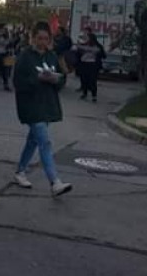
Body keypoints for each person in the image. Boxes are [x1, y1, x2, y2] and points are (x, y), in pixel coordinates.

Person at [12, 22, 73, 197]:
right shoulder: (25, 57)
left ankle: (20, 170)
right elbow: (18, 82)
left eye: (46, 39)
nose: (42, 42)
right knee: (45, 142)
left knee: (33, 140)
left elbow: (61, 79)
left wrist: (56, 80)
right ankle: (55, 181)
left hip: (47, 105)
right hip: (31, 106)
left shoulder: (52, 56)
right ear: (32, 38)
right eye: (39, 38)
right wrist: (37, 79)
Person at [74, 30, 106, 102]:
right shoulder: (83, 45)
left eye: (87, 38)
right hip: (84, 64)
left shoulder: (97, 46)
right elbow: (77, 53)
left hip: (92, 65)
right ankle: (84, 93)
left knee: (92, 80)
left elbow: (103, 55)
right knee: (84, 79)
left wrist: (98, 53)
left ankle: (94, 95)